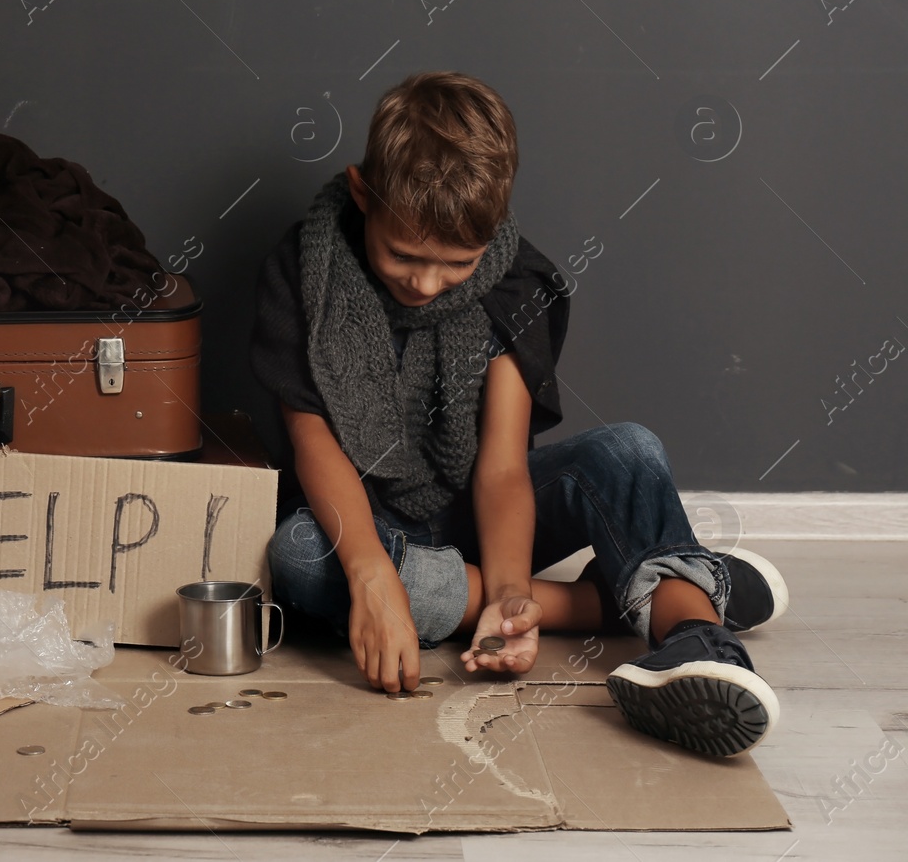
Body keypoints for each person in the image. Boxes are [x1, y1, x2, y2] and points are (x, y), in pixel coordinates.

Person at [249, 70, 788, 757]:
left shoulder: (517, 281)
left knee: (628, 449)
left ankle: (697, 642)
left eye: (454, 263)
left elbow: (502, 468)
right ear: (362, 192)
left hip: (476, 508)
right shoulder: (306, 268)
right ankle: (647, 592)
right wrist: (371, 574)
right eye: (403, 255)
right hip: (363, 520)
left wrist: (507, 599)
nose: (425, 282)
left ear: (493, 231)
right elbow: (311, 440)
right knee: (298, 555)